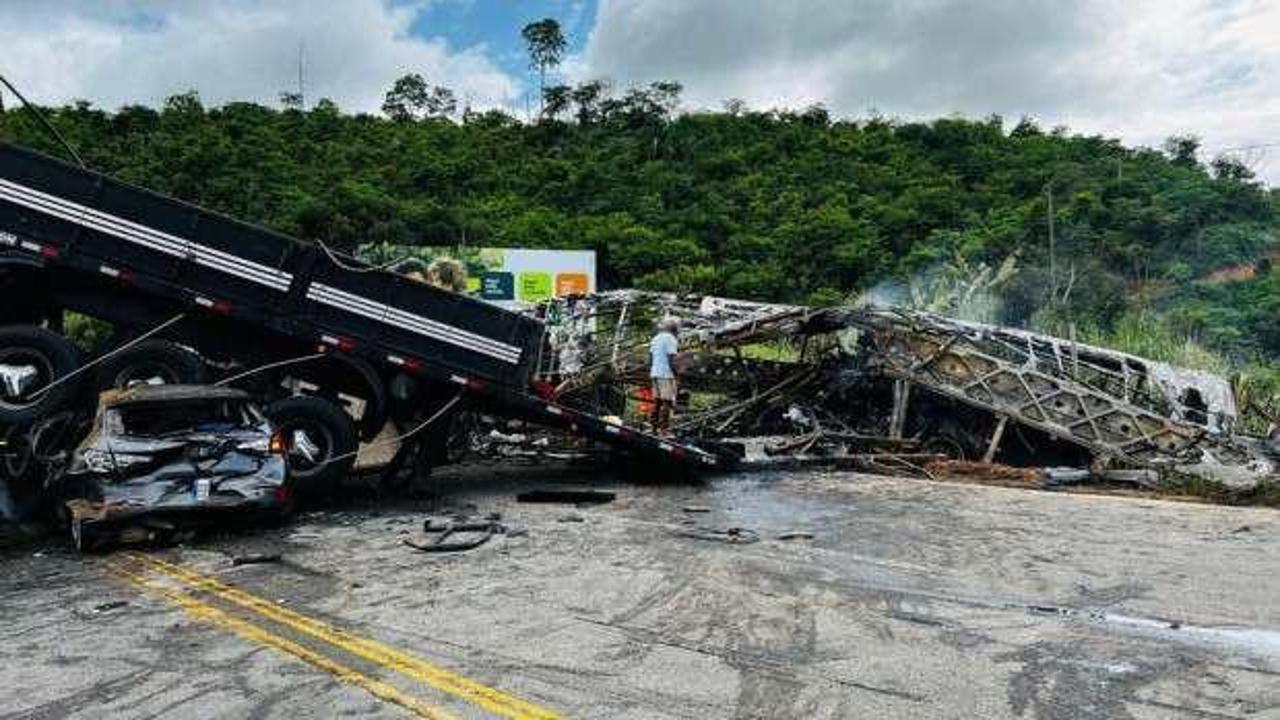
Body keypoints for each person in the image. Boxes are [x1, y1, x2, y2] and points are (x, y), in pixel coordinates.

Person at [649, 317, 680, 435]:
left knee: (656, 402)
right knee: (666, 403)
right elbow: (671, 358)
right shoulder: (671, 339)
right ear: (674, 329)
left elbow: (650, 358)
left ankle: (653, 429)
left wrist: (652, 370)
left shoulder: (656, 338)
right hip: (666, 374)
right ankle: (664, 430)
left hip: (655, 373)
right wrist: (676, 374)